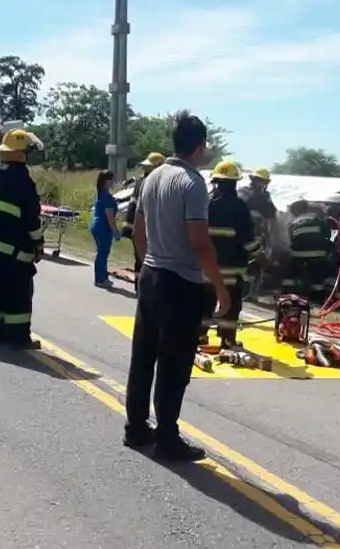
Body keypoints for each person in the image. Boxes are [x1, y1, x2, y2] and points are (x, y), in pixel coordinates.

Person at [124, 110, 230, 462]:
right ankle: (168, 438)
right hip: (179, 284)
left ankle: (136, 428)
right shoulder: (192, 183)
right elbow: (200, 242)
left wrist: (147, 262)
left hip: (151, 275)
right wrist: (220, 288)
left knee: (143, 356)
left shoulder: (153, 178)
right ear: (199, 147)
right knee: (174, 364)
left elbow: (138, 231)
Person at [0, 129, 45, 348]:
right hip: (13, 253)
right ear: (22, 154)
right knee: (18, 294)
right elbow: (31, 219)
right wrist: (38, 244)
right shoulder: (23, 181)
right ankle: (18, 337)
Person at [198, 160, 262, 349]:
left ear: (215, 182)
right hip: (232, 269)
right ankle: (227, 339)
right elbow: (247, 238)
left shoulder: (205, 204)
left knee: (205, 303)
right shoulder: (239, 207)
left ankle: (199, 336)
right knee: (231, 305)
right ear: (235, 183)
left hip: (207, 268)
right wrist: (260, 255)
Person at [122, 152, 165, 280]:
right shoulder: (151, 182)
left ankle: (139, 284)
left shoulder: (141, 180)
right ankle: (144, 286)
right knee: (147, 260)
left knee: (139, 259)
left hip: (133, 225)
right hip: (144, 228)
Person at [282, 200, 332, 302]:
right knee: (318, 278)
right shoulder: (317, 218)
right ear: (307, 208)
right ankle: (318, 299)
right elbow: (327, 234)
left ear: (295, 212)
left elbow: (291, 240)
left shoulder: (293, 223)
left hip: (298, 254)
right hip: (318, 254)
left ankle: (286, 294)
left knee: (291, 274)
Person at [89, 170, 120, 288]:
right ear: (107, 181)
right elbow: (109, 216)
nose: (114, 182)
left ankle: (102, 276)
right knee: (103, 253)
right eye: (112, 180)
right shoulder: (107, 196)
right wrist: (115, 231)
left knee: (102, 252)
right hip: (103, 227)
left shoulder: (101, 193)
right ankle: (100, 279)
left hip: (97, 225)